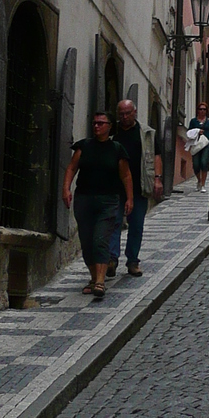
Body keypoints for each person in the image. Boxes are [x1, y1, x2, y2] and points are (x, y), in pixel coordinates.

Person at [62, 111, 133, 299]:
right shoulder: (83, 147)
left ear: (110, 126)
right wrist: (66, 189)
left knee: (100, 240)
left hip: (108, 201)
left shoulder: (117, 149)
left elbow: (126, 175)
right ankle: (93, 278)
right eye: (94, 123)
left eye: (101, 123)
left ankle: (100, 282)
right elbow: (71, 168)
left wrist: (129, 198)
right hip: (84, 199)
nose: (97, 126)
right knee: (86, 241)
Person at [108, 100, 162, 277]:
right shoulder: (112, 132)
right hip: (115, 186)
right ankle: (111, 259)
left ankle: (132, 261)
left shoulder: (146, 133)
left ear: (135, 112)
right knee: (113, 223)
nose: (124, 117)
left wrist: (157, 179)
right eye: (121, 114)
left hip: (140, 186)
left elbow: (156, 155)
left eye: (128, 113)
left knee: (136, 225)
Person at [186, 102, 209, 190]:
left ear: (206, 111)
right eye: (200, 109)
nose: (202, 111)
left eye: (204, 109)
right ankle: (199, 179)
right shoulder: (193, 121)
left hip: (206, 143)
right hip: (196, 143)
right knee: (196, 164)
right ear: (197, 110)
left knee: (204, 162)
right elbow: (189, 133)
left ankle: (203, 184)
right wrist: (197, 131)